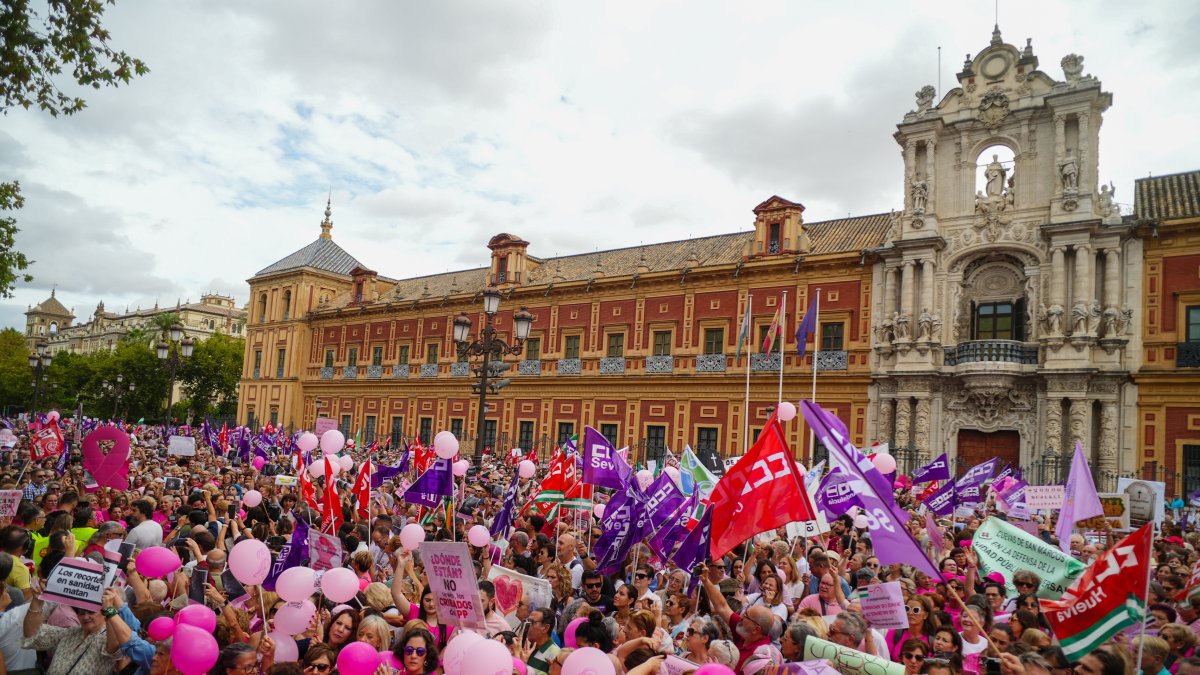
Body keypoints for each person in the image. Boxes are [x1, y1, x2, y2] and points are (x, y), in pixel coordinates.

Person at [525, 607, 560, 675]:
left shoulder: (556, 655)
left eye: (532, 622)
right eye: (527, 621)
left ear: (545, 628)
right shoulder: (523, 646)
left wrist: (522, 664)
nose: (528, 625)